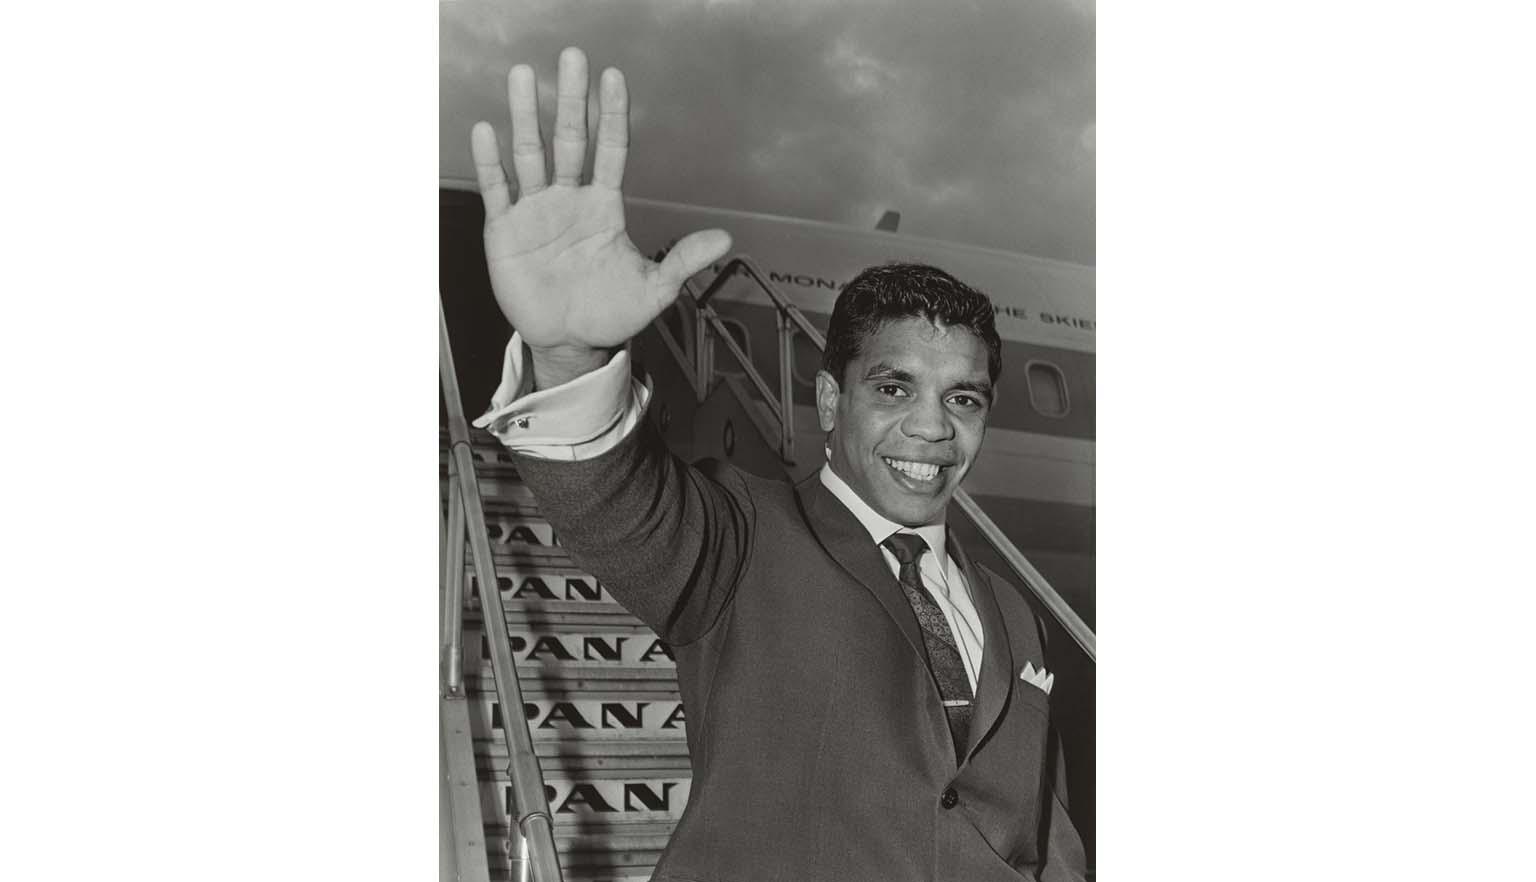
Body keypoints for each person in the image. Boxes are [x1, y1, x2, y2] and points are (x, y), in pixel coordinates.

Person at [467, 46, 1087, 882]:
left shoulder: (1013, 612)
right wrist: (569, 354)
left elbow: (1045, 836)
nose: (932, 429)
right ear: (831, 403)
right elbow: (617, 503)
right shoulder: (742, 539)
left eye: (963, 399)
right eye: (895, 389)